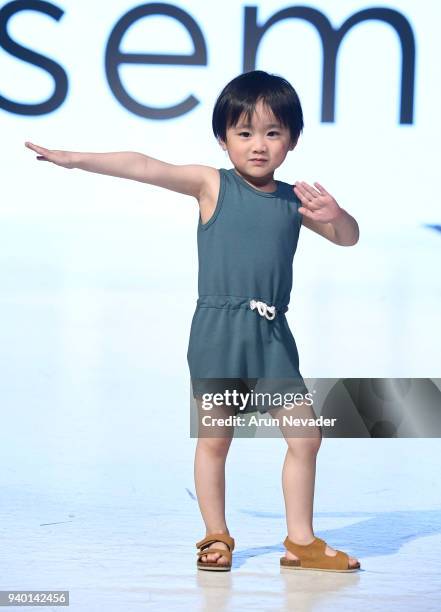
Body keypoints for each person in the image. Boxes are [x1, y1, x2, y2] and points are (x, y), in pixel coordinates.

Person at [25, 70, 360, 573]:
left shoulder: (294, 200)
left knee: (305, 436)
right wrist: (74, 159)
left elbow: (348, 238)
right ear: (222, 139)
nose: (259, 145)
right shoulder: (211, 184)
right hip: (218, 332)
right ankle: (216, 536)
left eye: (273, 133)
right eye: (244, 133)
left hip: (271, 335)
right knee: (215, 440)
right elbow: (143, 165)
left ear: (293, 139)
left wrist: (336, 214)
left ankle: (300, 540)